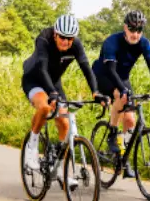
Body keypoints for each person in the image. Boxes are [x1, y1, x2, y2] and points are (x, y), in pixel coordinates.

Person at [21, 13, 107, 187]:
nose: (65, 42)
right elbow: (42, 68)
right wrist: (52, 93)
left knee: (65, 124)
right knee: (45, 107)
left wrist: (96, 92)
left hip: (54, 83)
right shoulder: (44, 39)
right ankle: (32, 147)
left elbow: (86, 68)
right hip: (34, 78)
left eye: (69, 39)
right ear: (55, 34)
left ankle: (59, 170)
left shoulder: (75, 45)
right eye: (62, 37)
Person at [91, 10, 150, 174]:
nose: (135, 34)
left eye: (139, 30)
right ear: (125, 28)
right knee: (119, 96)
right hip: (103, 75)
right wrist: (121, 89)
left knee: (130, 120)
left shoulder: (144, 43)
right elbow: (111, 70)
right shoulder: (112, 42)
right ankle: (112, 134)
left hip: (123, 78)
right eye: (132, 29)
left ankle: (122, 157)